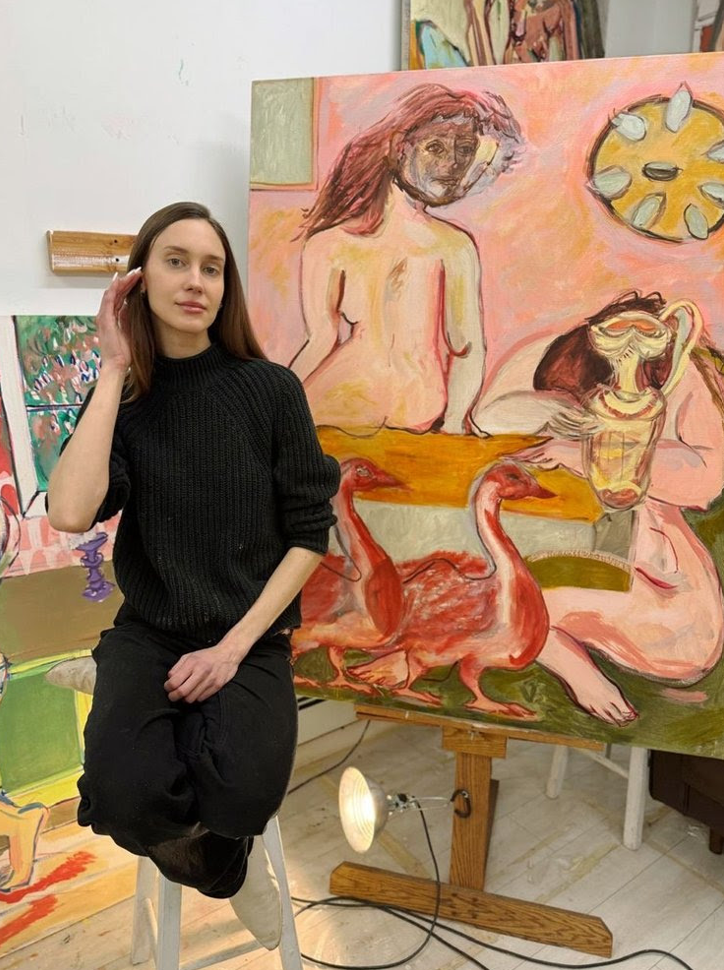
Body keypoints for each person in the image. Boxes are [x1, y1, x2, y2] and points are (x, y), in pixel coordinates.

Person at [46, 202, 340, 948]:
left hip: (249, 634)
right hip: (151, 631)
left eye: (212, 268)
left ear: (225, 287)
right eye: (175, 261)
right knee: (125, 798)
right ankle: (230, 871)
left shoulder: (270, 391)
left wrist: (231, 650)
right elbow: (70, 513)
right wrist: (113, 365)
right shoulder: (124, 401)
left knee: (242, 795)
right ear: (139, 280)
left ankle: (222, 846)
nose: (195, 281)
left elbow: (309, 534)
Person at [292, 83, 523, 435]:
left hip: (415, 421)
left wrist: (455, 424)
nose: (452, 163)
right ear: (399, 148)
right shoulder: (329, 245)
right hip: (331, 412)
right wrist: (273, 413)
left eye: (464, 149)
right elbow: (319, 341)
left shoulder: (454, 247)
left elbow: (467, 348)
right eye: (435, 147)